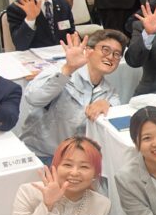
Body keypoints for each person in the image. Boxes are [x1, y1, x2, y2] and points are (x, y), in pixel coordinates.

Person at [19, 31, 128, 162]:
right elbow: (33, 98)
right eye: (106, 50)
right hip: (41, 154)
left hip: (75, 158)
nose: (110, 57)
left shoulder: (109, 91)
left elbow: (116, 115)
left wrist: (108, 104)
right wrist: (68, 69)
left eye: (117, 54)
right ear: (88, 50)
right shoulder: (60, 72)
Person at [10, 136, 111, 215]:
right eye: (68, 165)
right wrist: (47, 205)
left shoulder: (102, 205)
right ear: (56, 167)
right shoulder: (29, 191)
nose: (74, 173)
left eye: (84, 167)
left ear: (95, 174)